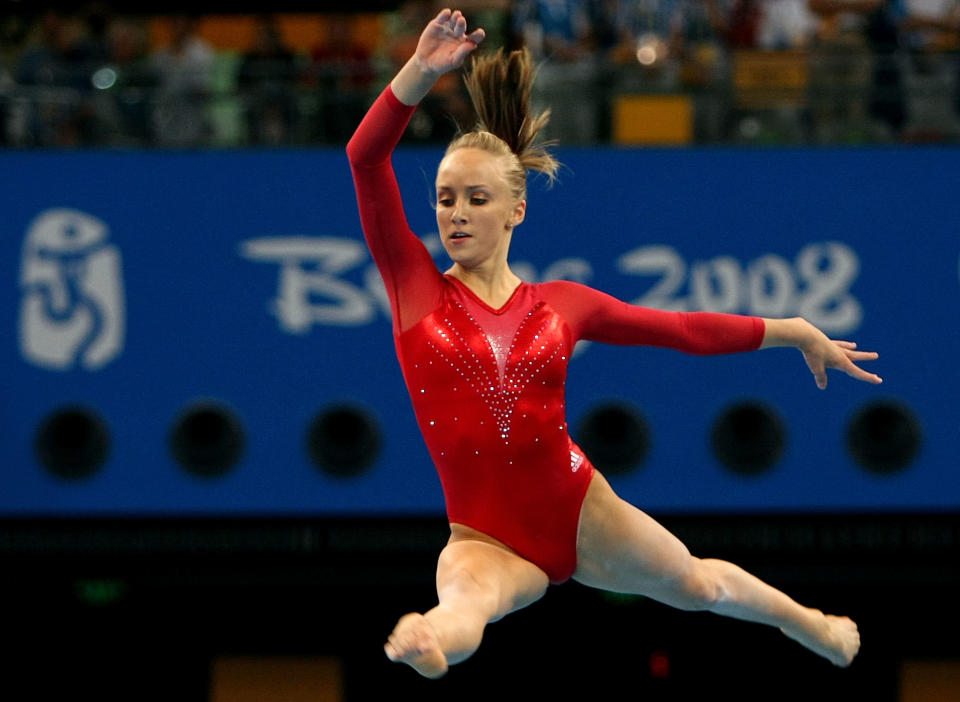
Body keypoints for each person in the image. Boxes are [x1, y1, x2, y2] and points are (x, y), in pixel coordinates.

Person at [346, 8, 877, 679]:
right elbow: (365, 159)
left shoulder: (562, 304)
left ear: (517, 210)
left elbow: (681, 330)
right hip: (483, 533)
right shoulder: (416, 291)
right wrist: (419, 72)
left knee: (698, 586)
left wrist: (793, 331)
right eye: (446, 199)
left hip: (579, 507)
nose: (455, 213)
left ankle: (813, 626)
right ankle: (426, 645)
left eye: (476, 199)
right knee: (463, 604)